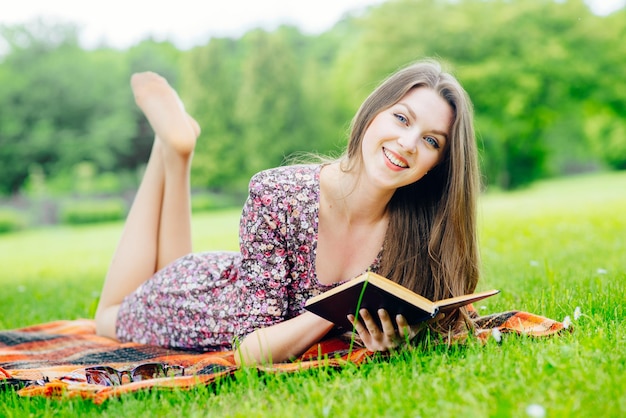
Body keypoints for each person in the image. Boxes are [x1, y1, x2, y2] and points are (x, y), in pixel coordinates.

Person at [94, 59, 480, 366]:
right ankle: (172, 149)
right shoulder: (281, 193)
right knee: (106, 317)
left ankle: (176, 153)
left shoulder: (417, 231)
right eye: (401, 118)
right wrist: (343, 309)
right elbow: (249, 351)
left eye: (431, 140)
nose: (409, 143)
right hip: (192, 305)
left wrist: (397, 336)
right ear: (373, 113)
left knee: (174, 260)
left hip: (231, 279)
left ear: (438, 164)